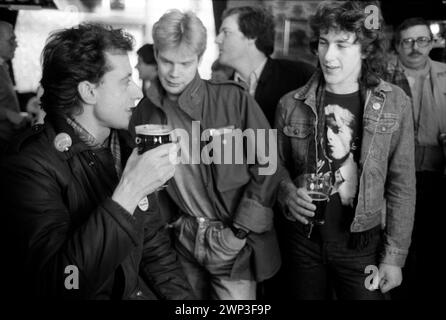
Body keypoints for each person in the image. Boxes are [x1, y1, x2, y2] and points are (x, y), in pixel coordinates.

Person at [0, 23, 193, 300]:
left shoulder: (127, 146)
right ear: (89, 92)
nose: (137, 92)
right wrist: (129, 191)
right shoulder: (28, 167)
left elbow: (154, 249)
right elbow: (63, 282)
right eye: (125, 81)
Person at [130, 10, 282, 300]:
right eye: (166, 61)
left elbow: (269, 163)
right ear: (157, 55)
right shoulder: (143, 111)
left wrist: (238, 232)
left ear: (199, 59)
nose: (175, 73)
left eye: (185, 63)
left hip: (230, 238)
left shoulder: (233, 99)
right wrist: (166, 226)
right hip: (182, 235)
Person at [275, 1, 416, 299]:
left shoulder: (395, 102)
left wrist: (394, 256)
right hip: (303, 243)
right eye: (324, 43)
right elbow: (273, 167)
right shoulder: (290, 104)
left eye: (342, 44)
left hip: (362, 247)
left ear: (365, 49)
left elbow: (402, 185)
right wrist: (287, 192)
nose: (329, 55)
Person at [383, 17, 446, 299]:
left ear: (431, 43)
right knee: (395, 236)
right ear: (397, 45)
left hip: (437, 168)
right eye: (407, 41)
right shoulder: (381, 75)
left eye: (422, 40)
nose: (415, 47)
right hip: (393, 171)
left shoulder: (445, 74)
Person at [215, 6, 315, 126]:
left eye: (226, 32)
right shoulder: (220, 90)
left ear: (251, 36)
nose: (217, 39)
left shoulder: (301, 76)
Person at [0, 21, 28, 152]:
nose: (16, 45)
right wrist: (9, 114)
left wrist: (22, 112)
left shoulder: (3, 66)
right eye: (11, 41)